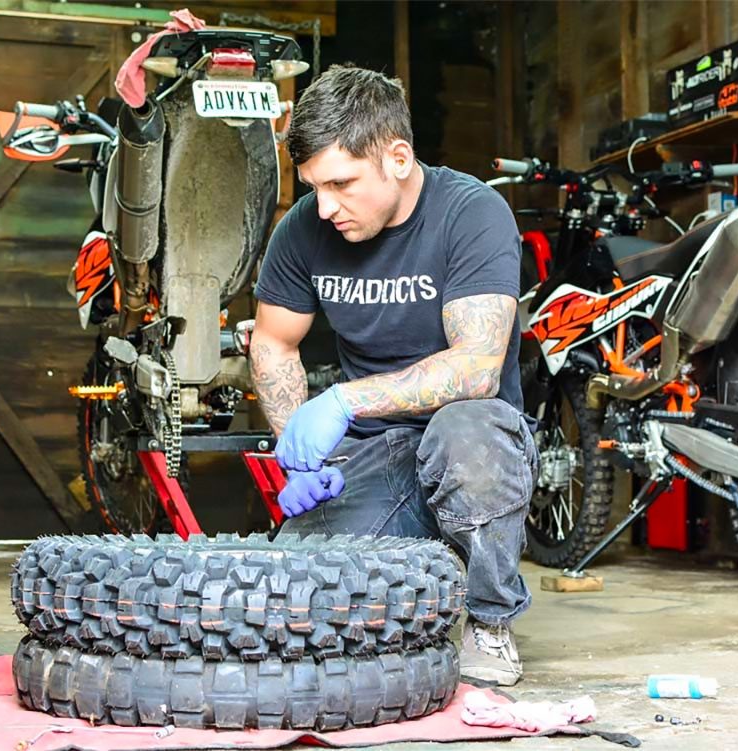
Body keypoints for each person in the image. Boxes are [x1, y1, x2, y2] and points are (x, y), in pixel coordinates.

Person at [249, 65, 538, 687]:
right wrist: (298, 449)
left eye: (342, 184)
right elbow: (274, 342)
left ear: (398, 157)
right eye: (314, 186)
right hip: (373, 447)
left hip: (468, 435)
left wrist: (342, 400)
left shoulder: (472, 213)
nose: (325, 207)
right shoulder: (302, 229)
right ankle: (418, 564)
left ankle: (489, 619)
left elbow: (476, 367)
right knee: (291, 604)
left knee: (468, 435)